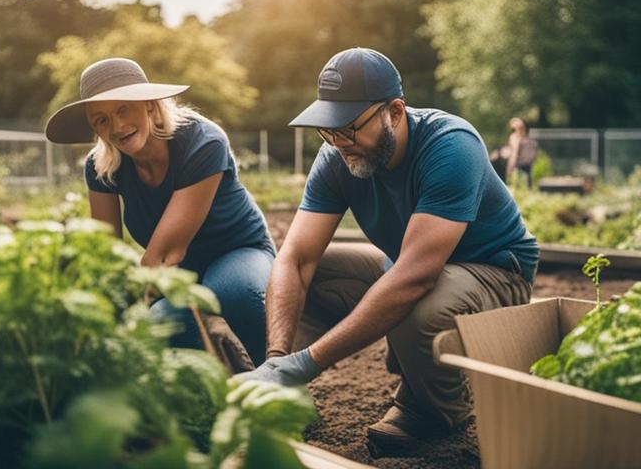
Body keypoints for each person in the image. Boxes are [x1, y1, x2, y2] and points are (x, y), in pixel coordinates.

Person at [237, 48, 539, 451]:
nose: (338, 142)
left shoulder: (451, 146)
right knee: (303, 272)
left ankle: (437, 410)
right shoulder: (336, 157)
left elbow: (414, 277)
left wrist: (306, 363)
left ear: (394, 111)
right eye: (328, 129)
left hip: (496, 272)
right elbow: (297, 258)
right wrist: (277, 360)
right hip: (415, 267)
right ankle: (286, 391)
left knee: (419, 302)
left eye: (349, 128)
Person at [45, 57, 275, 365]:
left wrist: (127, 323)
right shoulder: (100, 167)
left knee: (233, 291)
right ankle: (210, 395)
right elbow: (105, 252)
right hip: (176, 275)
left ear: (150, 105)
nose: (116, 126)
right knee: (160, 325)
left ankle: (275, 381)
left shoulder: (203, 142)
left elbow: (166, 255)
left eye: (123, 109)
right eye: (101, 120)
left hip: (238, 251)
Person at [505, 116, 538, 188]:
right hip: (518, 166)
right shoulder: (515, 138)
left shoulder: (525, 140)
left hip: (523, 166)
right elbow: (514, 154)